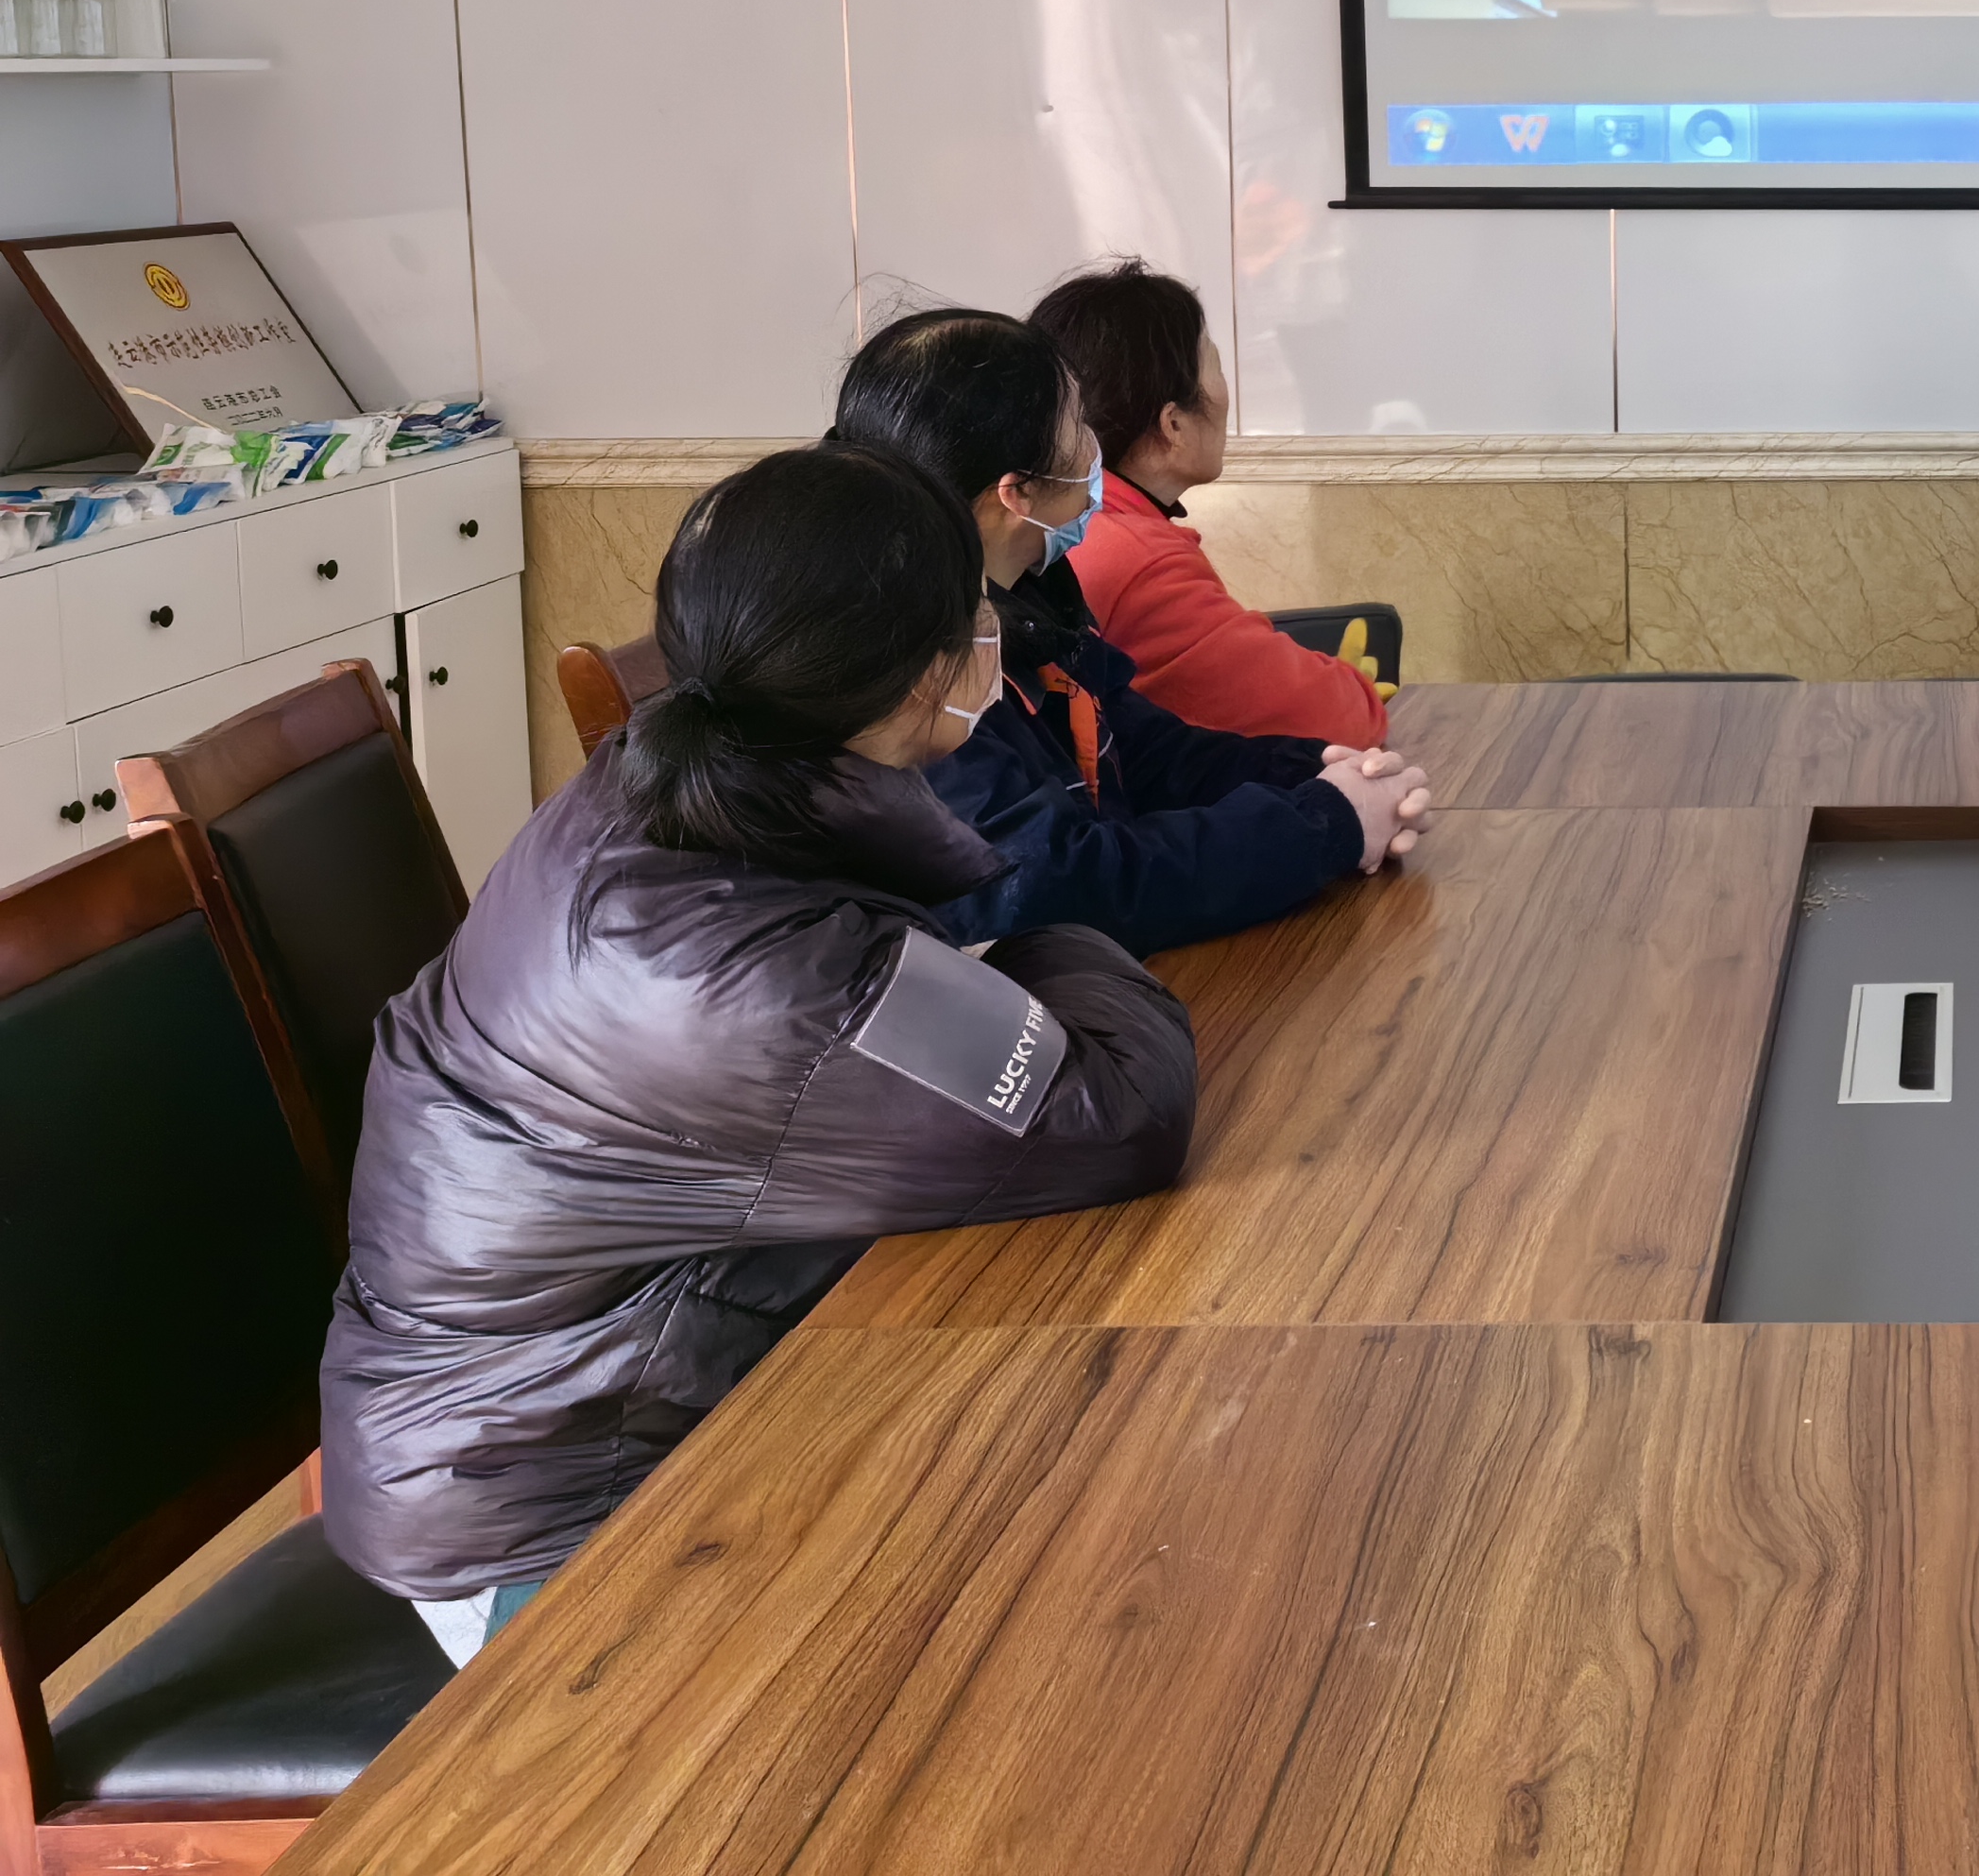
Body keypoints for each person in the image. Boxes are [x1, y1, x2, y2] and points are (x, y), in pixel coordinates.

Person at [321, 446, 1199, 1650]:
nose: (996, 633)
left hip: (579, 1406)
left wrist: (992, 969)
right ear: (917, 680)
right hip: (551, 1522)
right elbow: (1116, 1108)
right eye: (977, 615)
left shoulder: (684, 786)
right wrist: (1056, 944)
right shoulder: (736, 974)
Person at [829, 307, 1428, 954]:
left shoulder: (1031, 595)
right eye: (1076, 424)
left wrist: (1318, 773)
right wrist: (1323, 823)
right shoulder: (911, 671)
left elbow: (1143, 750)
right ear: (1017, 494)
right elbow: (1055, 884)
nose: (1096, 447)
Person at [1030, 260, 1391, 752]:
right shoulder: (1138, 559)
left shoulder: (1066, 525)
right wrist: (1349, 686)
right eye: (1216, 367)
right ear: (1172, 425)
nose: (1226, 395)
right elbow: (1340, 720)